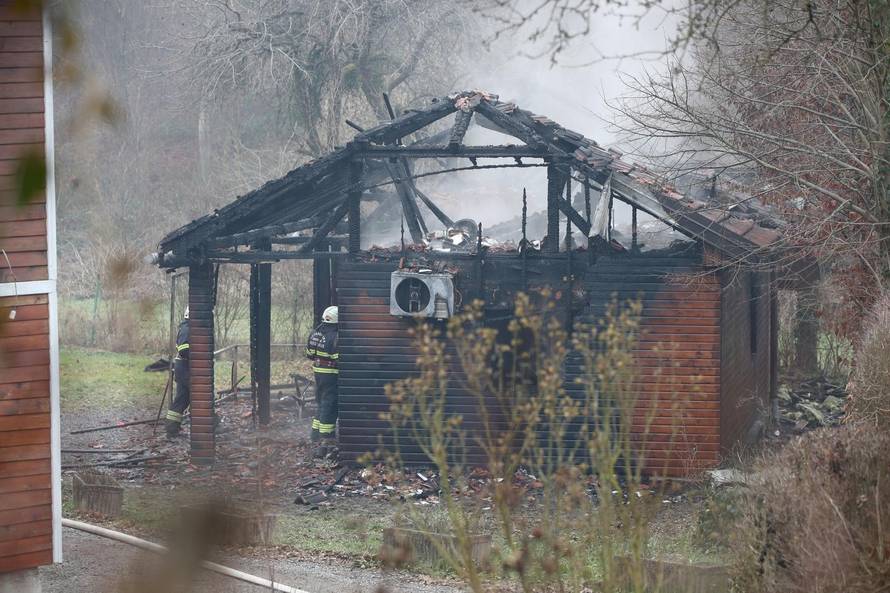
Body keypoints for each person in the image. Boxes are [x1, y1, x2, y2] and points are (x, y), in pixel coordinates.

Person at [305, 306, 339, 455]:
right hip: (331, 374)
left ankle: (314, 433)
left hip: (318, 373)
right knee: (328, 403)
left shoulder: (315, 333)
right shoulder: (335, 336)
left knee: (320, 401)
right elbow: (338, 358)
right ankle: (327, 437)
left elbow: (309, 354)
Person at [165, 306, 190, 437]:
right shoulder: (187, 329)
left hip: (183, 368)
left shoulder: (187, 327)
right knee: (200, 395)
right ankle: (213, 423)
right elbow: (184, 349)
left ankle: (171, 428)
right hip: (186, 368)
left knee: (182, 399)